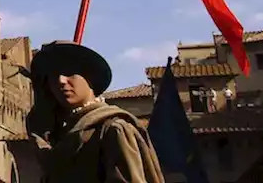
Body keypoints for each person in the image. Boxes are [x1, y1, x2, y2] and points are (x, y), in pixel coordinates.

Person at [26, 41, 166, 183]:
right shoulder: (58, 137)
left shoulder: (113, 129)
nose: (61, 81)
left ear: (90, 76)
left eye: (69, 72)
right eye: (54, 75)